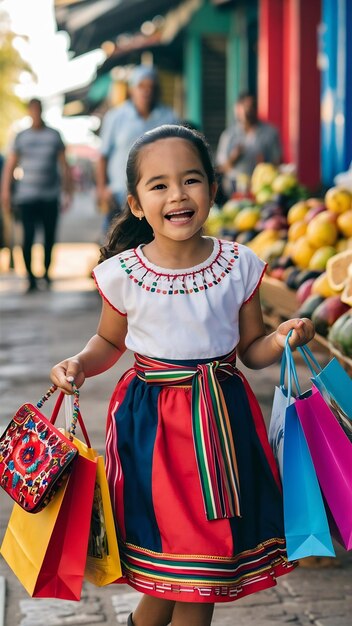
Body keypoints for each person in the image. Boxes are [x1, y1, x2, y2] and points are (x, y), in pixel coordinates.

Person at [51, 125, 314, 626]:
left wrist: (281, 340)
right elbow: (109, 343)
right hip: (152, 436)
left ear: (213, 189)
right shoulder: (124, 274)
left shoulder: (239, 265)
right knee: (178, 569)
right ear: (135, 203)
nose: (177, 194)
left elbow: (252, 350)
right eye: (159, 185)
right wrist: (79, 365)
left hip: (223, 430)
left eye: (191, 180)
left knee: (201, 570)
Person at [96, 64, 179, 233]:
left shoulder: (168, 116)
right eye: (141, 86)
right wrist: (102, 188)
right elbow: (102, 156)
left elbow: (177, 152)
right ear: (132, 89)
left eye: (151, 87)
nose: (146, 91)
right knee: (116, 245)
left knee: (151, 243)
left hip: (158, 194)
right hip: (119, 194)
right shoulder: (116, 117)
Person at [0, 98, 72, 292]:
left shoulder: (54, 135)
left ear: (41, 111)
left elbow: (65, 165)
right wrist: (5, 191)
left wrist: (68, 191)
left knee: (49, 237)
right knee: (28, 237)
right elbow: (10, 165)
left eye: (38, 109)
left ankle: (47, 273)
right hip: (26, 196)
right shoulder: (21, 137)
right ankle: (30, 278)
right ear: (29, 112)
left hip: (50, 195)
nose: (35, 113)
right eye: (32, 110)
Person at [216, 92, 282, 198]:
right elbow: (221, 168)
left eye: (252, 107)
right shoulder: (229, 135)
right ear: (237, 109)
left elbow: (278, 163)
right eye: (245, 107)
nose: (248, 111)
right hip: (233, 191)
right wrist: (233, 158)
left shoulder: (270, 132)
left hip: (262, 191)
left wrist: (264, 164)